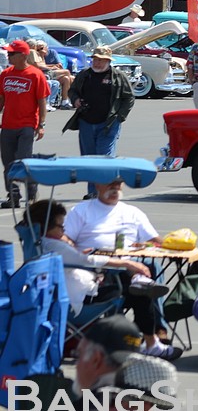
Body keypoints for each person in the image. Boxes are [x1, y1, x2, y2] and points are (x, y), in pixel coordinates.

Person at [64, 179, 177, 358]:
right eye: (110, 183)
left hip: (128, 266)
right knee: (140, 282)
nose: (115, 187)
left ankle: (156, 330)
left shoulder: (132, 212)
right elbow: (65, 241)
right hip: (94, 272)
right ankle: (153, 338)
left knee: (149, 268)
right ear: (96, 184)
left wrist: (178, 244)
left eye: (119, 183)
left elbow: (155, 240)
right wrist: (73, 248)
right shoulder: (81, 211)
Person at [27, 200, 156, 315]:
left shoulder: (40, 244)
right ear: (46, 227)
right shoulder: (54, 245)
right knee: (140, 293)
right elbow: (87, 261)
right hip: (80, 295)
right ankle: (151, 339)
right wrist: (127, 263)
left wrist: (79, 255)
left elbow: (77, 259)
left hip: (63, 292)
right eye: (60, 226)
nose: (63, 230)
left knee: (132, 286)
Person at [69, 47, 136, 195]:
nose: (97, 63)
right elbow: (72, 90)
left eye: (101, 60)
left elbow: (129, 98)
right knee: (89, 160)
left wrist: (119, 117)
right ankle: (92, 192)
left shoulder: (118, 76)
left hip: (108, 124)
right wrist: (75, 100)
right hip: (86, 122)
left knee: (104, 160)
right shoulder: (84, 75)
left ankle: (104, 192)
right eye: (95, 59)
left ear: (108, 61)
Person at [0, 40, 49, 208]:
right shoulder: (5, 74)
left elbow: (42, 102)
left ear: (23, 55)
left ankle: (31, 190)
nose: (8, 56)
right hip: (7, 125)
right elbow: (1, 99)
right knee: (8, 163)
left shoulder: (35, 75)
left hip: (27, 125)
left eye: (11, 54)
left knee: (23, 160)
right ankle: (13, 195)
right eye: (8, 53)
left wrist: (41, 124)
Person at [29, 41, 73, 110]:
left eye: (42, 48)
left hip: (49, 72)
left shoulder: (50, 52)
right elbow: (39, 66)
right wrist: (52, 67)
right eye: (38, 49)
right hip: (45, 74)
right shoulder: (35, 54)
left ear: (46, 47)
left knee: (66, 78)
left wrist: (52, 66)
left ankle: (64, 101)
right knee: (67, 72)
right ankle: (69, 98)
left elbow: (56, 65)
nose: (40, 50)